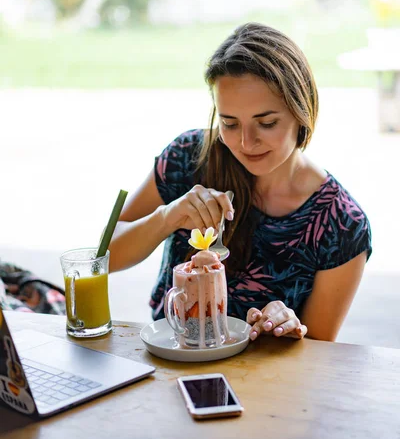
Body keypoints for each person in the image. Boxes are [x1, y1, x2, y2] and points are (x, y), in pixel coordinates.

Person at [109, 22, 372, 342]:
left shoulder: (341, 224)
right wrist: (169, 216)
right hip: (173, 364)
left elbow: (318, 352)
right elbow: (106, 257)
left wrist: (287, 327)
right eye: (230, 123)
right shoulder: (188, 157)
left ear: (301, 111)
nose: (247, 142)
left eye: (267, 122)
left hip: (268, 384)